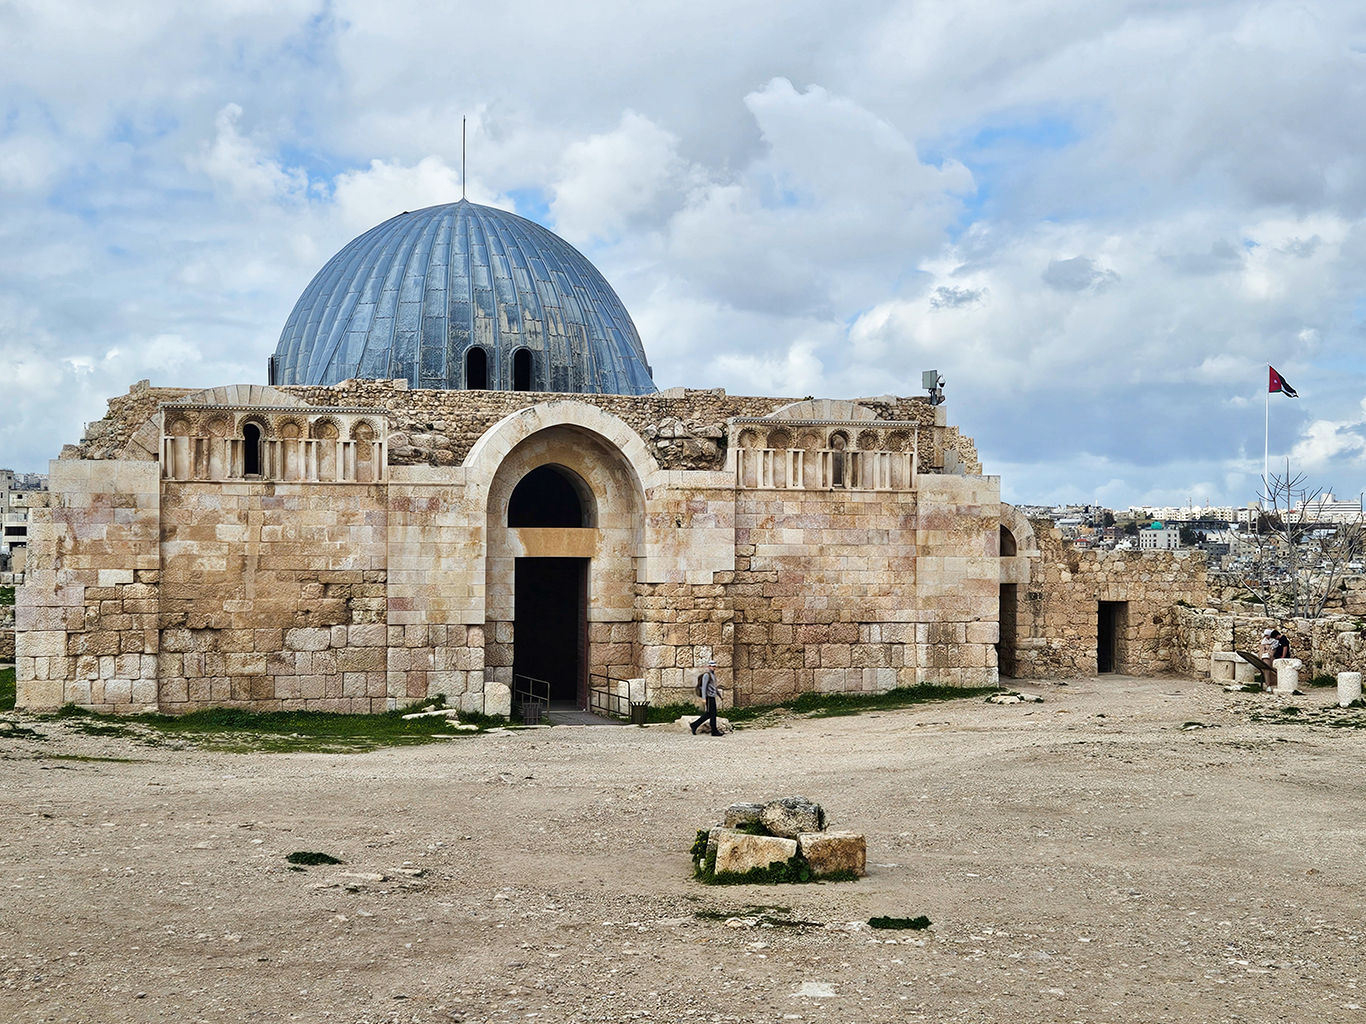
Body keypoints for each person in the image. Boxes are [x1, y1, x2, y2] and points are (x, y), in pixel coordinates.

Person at [690, 661, 724, 736]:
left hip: (712, 696)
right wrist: (704, 698)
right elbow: (704, 687)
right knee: (712, 714)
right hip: (709, 697)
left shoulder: (712, 675)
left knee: (710, 714)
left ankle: (694, 725)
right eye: (712, 666)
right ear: (708, 666)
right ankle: (714, 731)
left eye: (715, 666)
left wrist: (719, 695)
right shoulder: (707, 675)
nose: (714, 667)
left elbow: (714, 687)